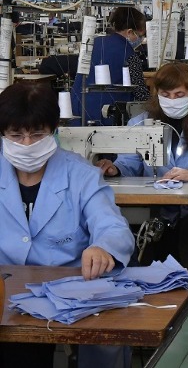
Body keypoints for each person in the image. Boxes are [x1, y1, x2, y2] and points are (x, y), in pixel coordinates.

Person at [0, 82, 135, 367]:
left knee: (105, 343)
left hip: (69, 290)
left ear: (54, 131)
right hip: (6, 292)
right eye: (16, 135)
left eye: (37, 135)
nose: (27, 144)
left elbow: (113, 227)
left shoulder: (81, 175)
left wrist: (103, 247)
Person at [96, 62, 188, 268]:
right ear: (157, 94)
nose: (172, 100)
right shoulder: (139, 123)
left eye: (179, 94)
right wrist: (116, 169)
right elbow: (130, 162)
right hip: (156, 209)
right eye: (166, 94)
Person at [70, 6, 150, 125]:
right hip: (107, 114)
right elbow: (141, 93)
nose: (141, 39)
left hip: (77, 108)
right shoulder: (130, 55)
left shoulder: (93, 43)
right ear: (129, 32)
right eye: (139, 35)